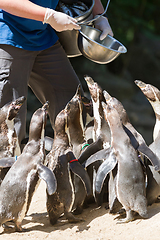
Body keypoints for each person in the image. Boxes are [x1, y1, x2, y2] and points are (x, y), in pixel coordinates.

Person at [0, 0, 113, 149]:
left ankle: (71, 164)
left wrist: (99, 15)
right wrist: (48, 15)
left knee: (73, 104)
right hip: (9, 35)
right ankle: (8, 169)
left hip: (44, 37)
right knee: (10, 121)